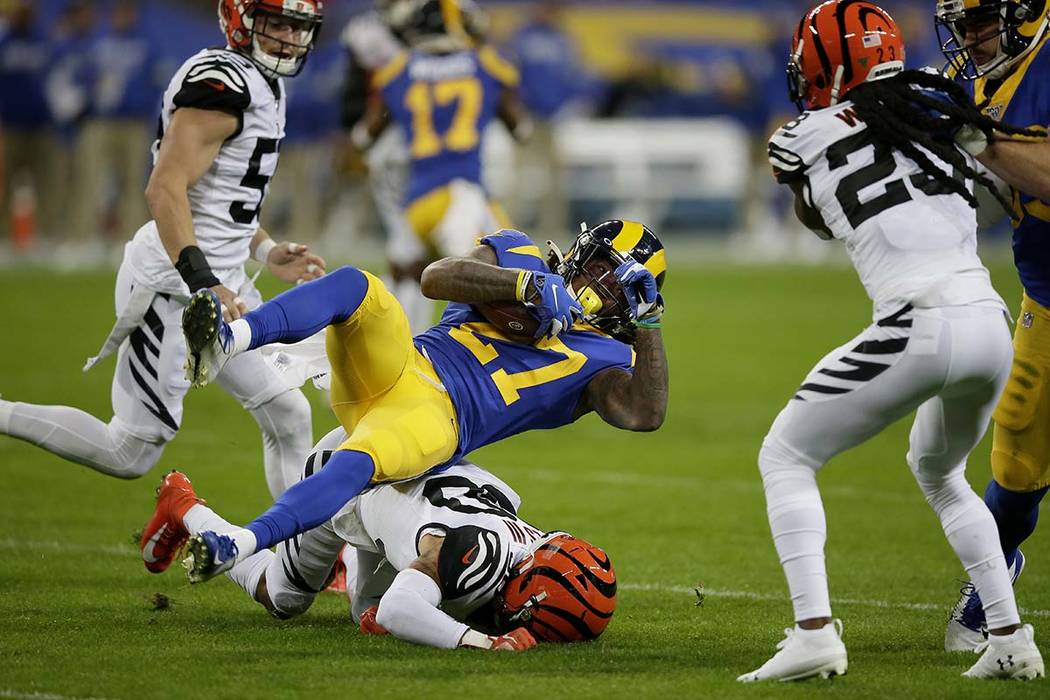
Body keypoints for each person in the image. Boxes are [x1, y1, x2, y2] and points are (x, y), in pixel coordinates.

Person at [739, 0, 1045, 682]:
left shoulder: (800, 137)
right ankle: (1008, 636)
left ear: (822, 66)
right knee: (941, 472)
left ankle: (813, 632)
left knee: (785, 455)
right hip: (989, 320)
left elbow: (818, 215)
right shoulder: (938, 113)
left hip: (919, 321)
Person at [177, 219, 667, 585]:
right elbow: (436, 277)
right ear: (583, 252)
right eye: (603, 269)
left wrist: (649, 323)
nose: (602, 287)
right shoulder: (520, 255)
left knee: (349, 476)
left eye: (622, 286)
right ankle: (227, 336)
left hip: (439, 419)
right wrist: (525, 285)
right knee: (357, 286)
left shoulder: (607, 357)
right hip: (405, 363)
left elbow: (644, 414)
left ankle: (236, 543)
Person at [0, 0, 326, 499]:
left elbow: (224, 197)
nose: (288, 38)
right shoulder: (223, 85)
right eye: (276, 23)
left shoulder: (264, 82)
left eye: (296, 27)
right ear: (240, 19)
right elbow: (165, 187)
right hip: (173, 286)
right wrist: (204, 283)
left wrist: (264, 250)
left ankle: (297, 565)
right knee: (131, 451)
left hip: (220, 286)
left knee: (288, 411)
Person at [139, 430, 617, 650]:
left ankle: (357, 561)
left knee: (366, 610)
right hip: (349, 478)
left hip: (399, 474)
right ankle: (182, 505)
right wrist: (480, 643)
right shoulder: (479, 560)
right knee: (285, 598)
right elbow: (397, 610)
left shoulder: (523, 545)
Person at [935, 0, 1050, 653]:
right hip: (1048, 291)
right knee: (1017, 457)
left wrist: (976, 136)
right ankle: (994, 582)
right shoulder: (977, 79)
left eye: (979, 20)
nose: (967, 37)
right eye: (959, 23)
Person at [352, 0, 531, 332]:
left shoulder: (396, 69)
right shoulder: (487, 63)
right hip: (460, 193)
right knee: (511, 269)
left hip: (416, 200)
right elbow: (521, 129)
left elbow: (363, 136)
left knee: (406, 277)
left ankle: (392, 357)